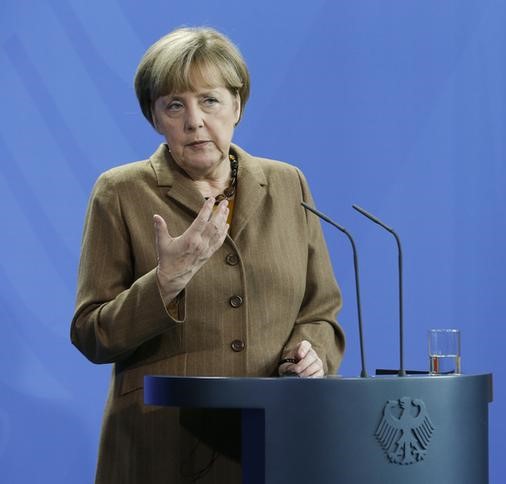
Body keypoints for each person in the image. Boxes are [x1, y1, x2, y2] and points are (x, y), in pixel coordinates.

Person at [70, 27, 345, 483]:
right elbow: (91, 333)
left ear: (237, 105)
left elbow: (321, 309)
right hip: (161, 444)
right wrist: (165, 283)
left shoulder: (287, 183)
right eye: (174, 105)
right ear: (154, 118)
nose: (194, 120)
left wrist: (312, 353)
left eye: (210, 100)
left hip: (274, 442)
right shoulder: (120, 192)